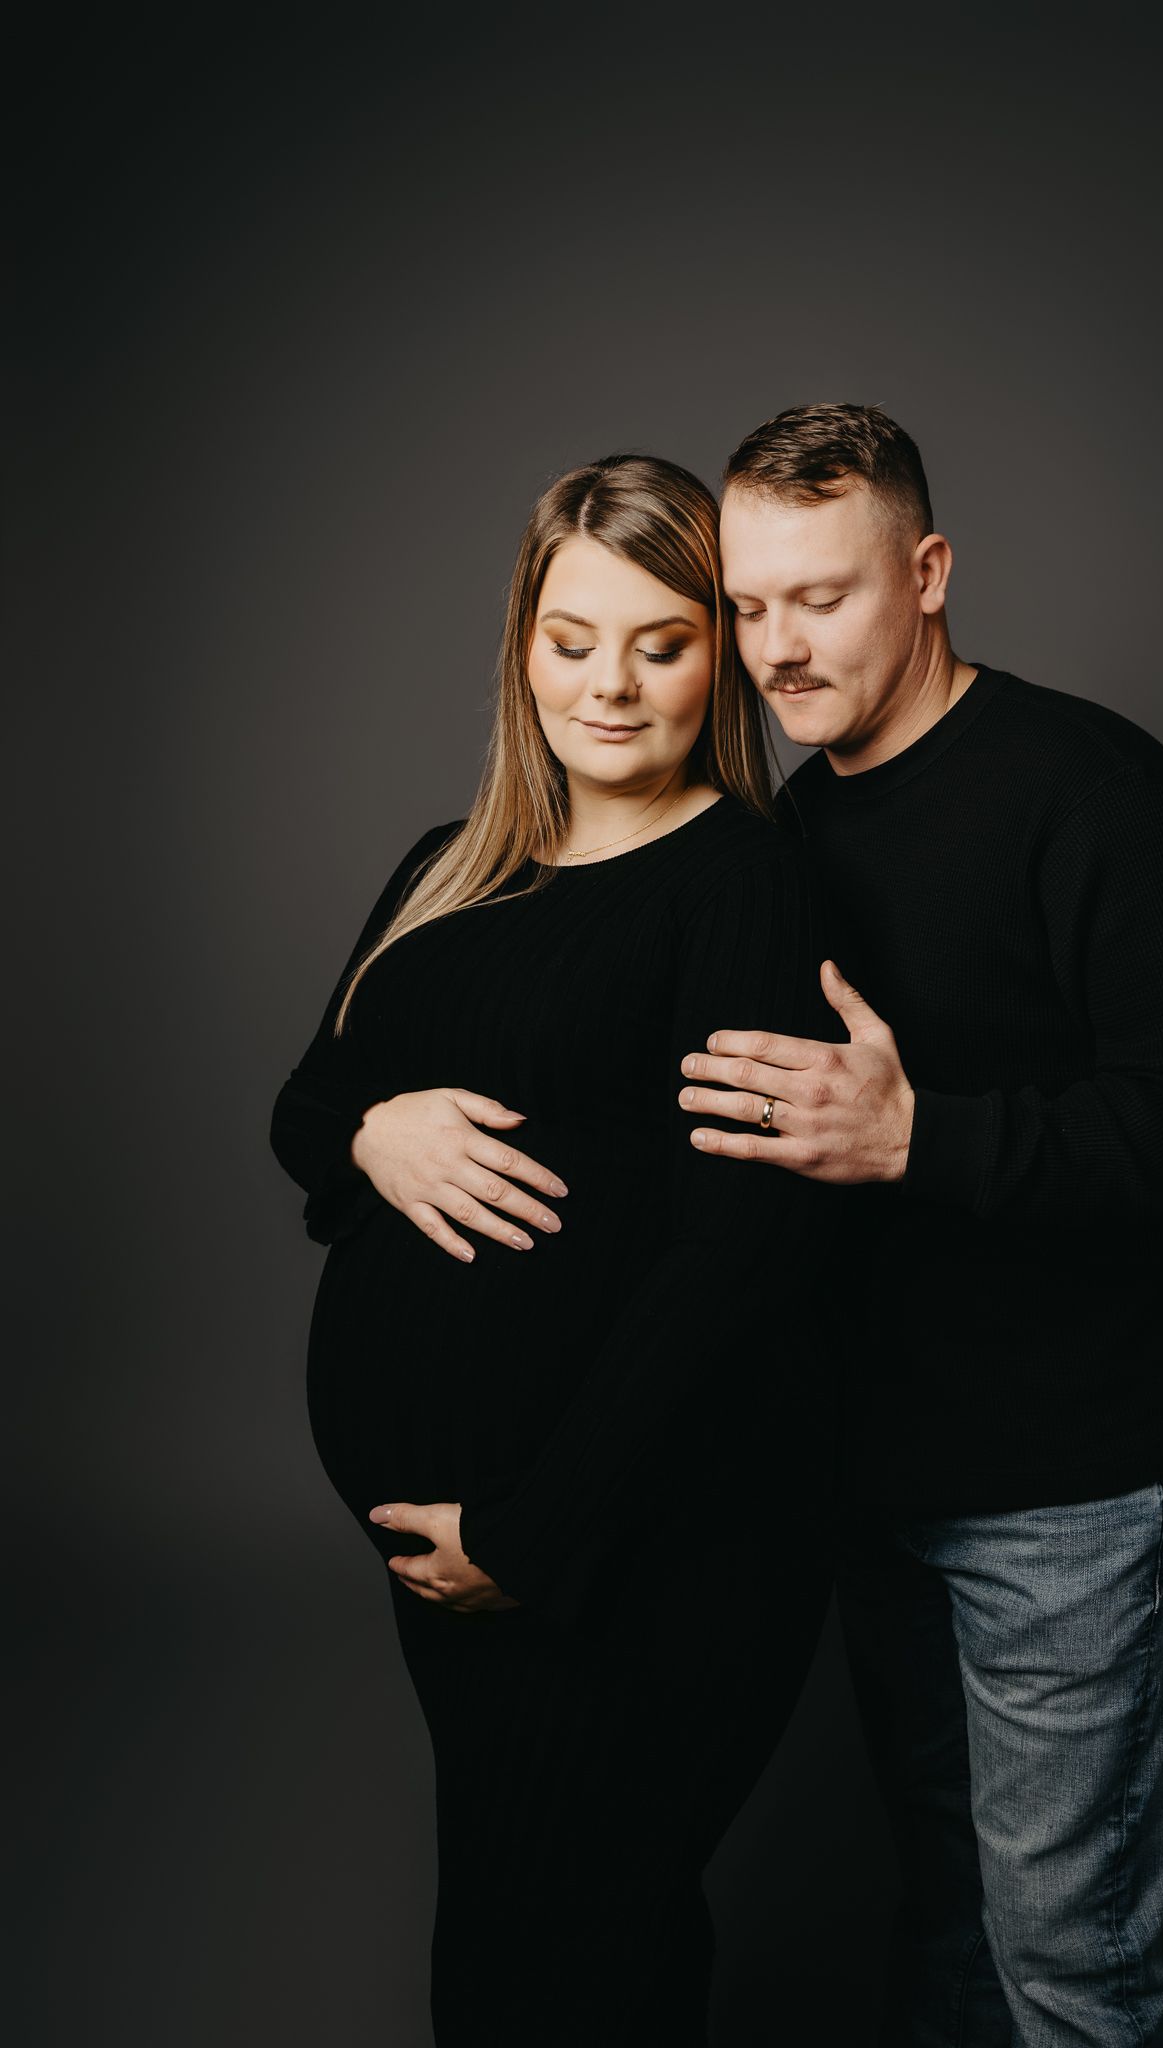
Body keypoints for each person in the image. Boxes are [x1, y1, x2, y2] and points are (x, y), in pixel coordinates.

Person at [671, 402, 1163, 2045]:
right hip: (875, 1483)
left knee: (1069, 1970)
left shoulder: (1094, 791)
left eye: (823, 596)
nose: (777, 649)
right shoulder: (785, 833)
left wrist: (920, 1138)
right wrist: (384, 1114)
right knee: (951, 1924)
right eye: (747, 605)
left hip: (1070, 1498)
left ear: (931, 572)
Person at [268, 454, 837, 2047]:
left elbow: (739, 1258)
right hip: (465, 1552)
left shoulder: (740, 882)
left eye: (661, 641)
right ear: (522, 641)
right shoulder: (452, 869)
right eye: (574, 636)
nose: (612, 682)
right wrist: (375, 1132)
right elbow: (306, 1110)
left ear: (716, 655)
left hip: (628, 1550)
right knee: (520, 1934)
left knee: (583, 1945)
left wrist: (530, 1530)